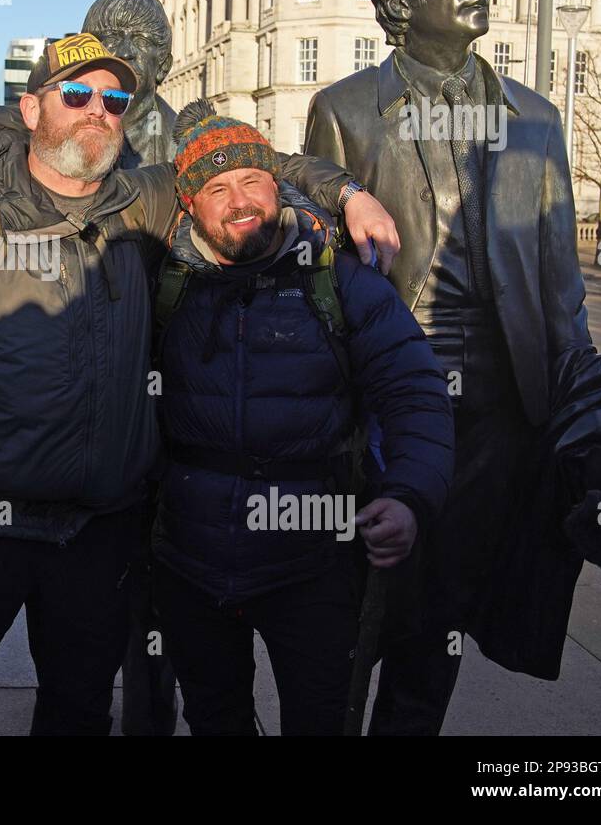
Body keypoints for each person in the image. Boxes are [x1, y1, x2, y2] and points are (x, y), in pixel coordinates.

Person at [0, 33, 391, 734]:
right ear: (32, 108)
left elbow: (252, 162)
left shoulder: (142, 200)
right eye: (76, 95)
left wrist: (349, 195)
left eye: (113, 100)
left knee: (77, 710)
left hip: (95, 534)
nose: (96, 112)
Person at [304, 0, 601, 735]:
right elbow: (315, 272)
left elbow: (560, 284)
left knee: (443, 621)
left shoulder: (535, 119)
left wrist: (586, 411)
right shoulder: (347, 109)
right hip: (389, 400)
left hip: (498, 417)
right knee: (359, 614)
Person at [151, 106, 453, 735]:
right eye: (216, 188)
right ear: (190, 208)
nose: (239, 202)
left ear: (277, 185)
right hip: (191, 561)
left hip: (313, 560)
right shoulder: (162, 284)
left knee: (320, 720)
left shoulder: (338, 283)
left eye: (252, 181)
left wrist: (408, 497)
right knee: (215, 719)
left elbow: (417, 393)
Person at [82, 0, 179, 734]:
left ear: (165, 59)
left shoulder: (188, 143)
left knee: (159, 580)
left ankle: (151, 711)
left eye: (140, 44)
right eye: (110, 44)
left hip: (170, 388)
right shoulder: (69, 139)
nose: (128, 60)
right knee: (90, 577)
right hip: (84, 389)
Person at [83, 0, 178, 169]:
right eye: (112, 37)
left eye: (141, 41)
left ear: (163, 66)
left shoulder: (185, 147)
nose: (125, 53)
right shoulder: (48, 132)